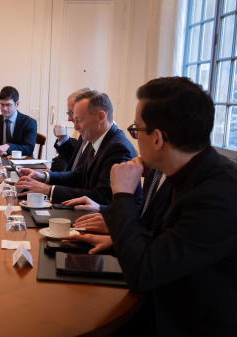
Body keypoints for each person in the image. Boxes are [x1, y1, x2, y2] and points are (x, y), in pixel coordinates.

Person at [79, 77, 237, 335]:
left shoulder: (221, 195)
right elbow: (176, 236)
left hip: (182, 321)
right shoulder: (179, 169)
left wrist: (122, 195)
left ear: (157, 139)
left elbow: (142, 273)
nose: (132, 138)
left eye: (136, 130)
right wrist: (118, 238)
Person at [15, 90, 142, 206]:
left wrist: (48, 190)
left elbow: (102, 197)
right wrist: (43, 176)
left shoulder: (117, 148)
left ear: (101, 117)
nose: (75, 127)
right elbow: (78, 175)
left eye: (79, 120)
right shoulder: (97, 140)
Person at [52, 88, 93, 172]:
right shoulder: (83, 129)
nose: (69, 119)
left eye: (72, 112)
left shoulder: (93, 131)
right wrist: (63, 138)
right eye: (69, 113)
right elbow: (75, 161)